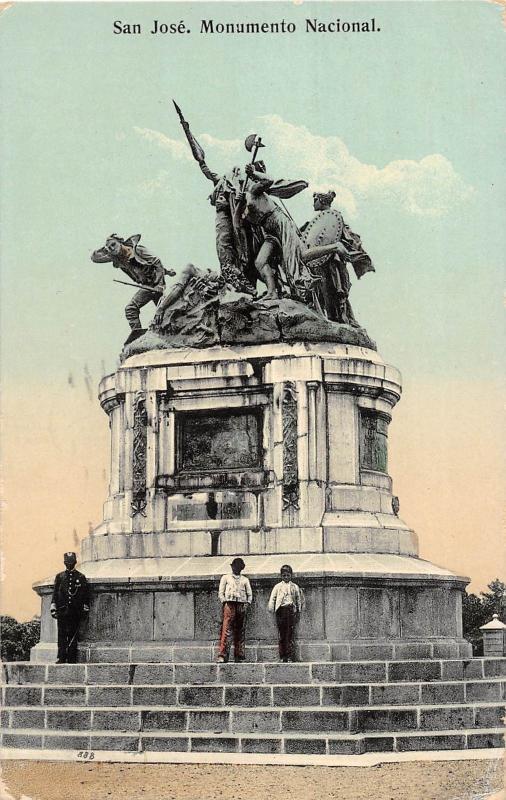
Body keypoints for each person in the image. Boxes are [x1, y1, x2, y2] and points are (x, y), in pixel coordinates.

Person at [242, 165, 344, 303]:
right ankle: (272, 293)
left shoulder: (254, 190)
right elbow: (238, 223)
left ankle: (335, 247)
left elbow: (269, 180)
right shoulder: (241, 199)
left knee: (299, 256)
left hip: (279, 222)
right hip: (269, 232)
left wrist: (254, 173)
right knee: (260, 262)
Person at [90, 234, 176, 332]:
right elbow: (95, 258)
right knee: (163, 312)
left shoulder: (137, 250)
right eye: (109, 248)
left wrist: (160, 284)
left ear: (120, 242)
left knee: (133, 309)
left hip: (155, 285)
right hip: (147, 286)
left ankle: (140, 334)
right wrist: (105, 249)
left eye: (113, 244)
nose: (112, 248)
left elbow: (157, 262)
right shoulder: (120, 260)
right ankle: (140, 335)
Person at [50, 552, 90, 664]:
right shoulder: (60, 577)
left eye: (71, 562)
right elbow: (55, 594)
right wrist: (53, 607)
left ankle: (72, 657)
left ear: (75, 562)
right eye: (67, 562)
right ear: (64, 563)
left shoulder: (81, 577)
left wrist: (85, 608)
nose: (69, 564)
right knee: (62, 634)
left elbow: (85, 595)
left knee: (73, 634)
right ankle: (61, 657)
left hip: (75, 611)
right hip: (62, 610)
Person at [217, 557, 252, 663]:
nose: (236, 569)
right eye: (234, 566)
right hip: (229, 604)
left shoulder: (245, 580)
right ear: (232, 567)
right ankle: (222, 655)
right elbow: (221, 592)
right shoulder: (226, 578)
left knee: (240, 630)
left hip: (241, 605)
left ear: (241, 568)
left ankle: (239, 655)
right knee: (226, 630)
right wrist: (225, 602)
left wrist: (247, 603)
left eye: (238, 567)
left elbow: (249, 594)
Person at [268, 565, 305, 663]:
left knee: (290, 633)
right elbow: (273, 598)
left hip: (290, 610)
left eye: (288, 575)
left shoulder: (294, 587)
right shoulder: (278, 586)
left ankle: (289, 656)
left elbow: (298, 599)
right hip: (281, 610)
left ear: (291, 575)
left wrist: (298, 610)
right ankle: (282, 655)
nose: (286, 577)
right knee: (282, 634)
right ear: (281, 576)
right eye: (284, 575)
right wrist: (272, 608)